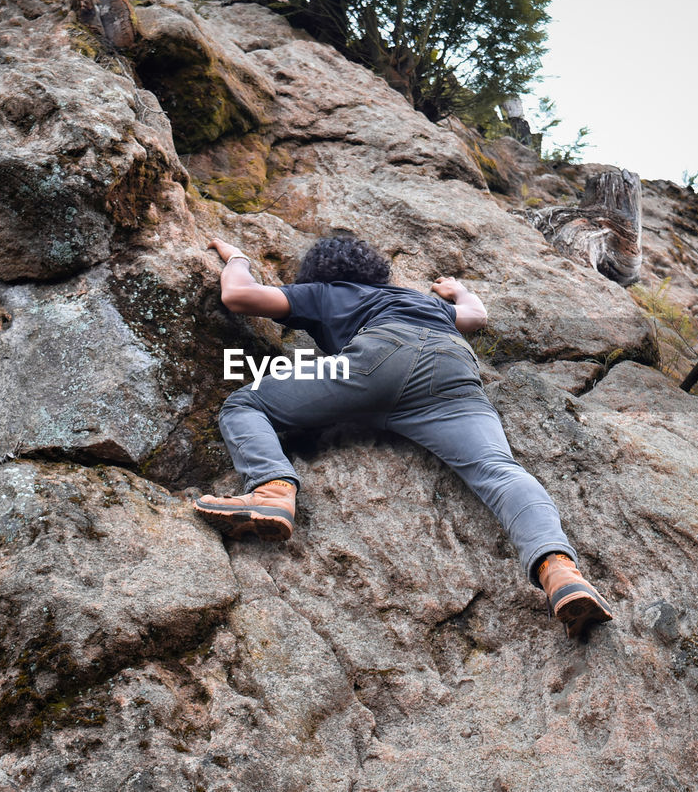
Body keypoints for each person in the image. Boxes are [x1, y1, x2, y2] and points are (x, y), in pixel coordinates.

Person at [195, 234, 615, 639]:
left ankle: (272, 492)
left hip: (376, 361)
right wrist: (458, 290)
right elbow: (477, 317)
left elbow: (239, 296)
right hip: (452, 371)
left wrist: (236, 258)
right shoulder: (419, 300)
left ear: (320, 272)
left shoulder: (326, 292)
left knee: (245, 403)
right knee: (499, 471)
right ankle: (559, 569)